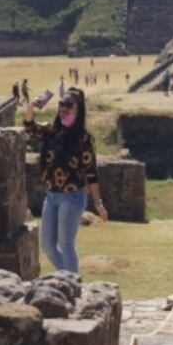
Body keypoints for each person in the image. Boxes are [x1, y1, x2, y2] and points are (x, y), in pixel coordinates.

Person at [24, 88, 107, 273]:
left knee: (66, 245)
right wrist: (31, 106)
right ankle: (71, 280)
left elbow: (91, 172)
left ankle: (72, 286)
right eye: (61, 103)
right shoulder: (51, 131)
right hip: (51, 196)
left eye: (69, 105)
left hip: (72, 197)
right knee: (47, 246)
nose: (63, 108)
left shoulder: (83, 138)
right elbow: (29, 126)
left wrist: (98, 203)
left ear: (78, 109)